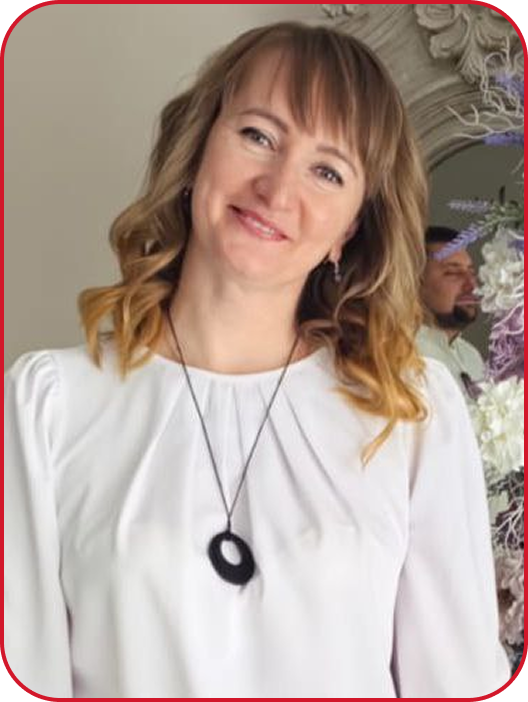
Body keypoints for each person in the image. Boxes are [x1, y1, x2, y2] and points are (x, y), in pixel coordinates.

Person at [4, 22, 511, 698]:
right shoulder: (48, 405)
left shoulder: (410, 412)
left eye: (327, 171)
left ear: (351, 227)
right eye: (258, 136)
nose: (277, 190)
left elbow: (457, 682)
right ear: (197, 150)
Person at [417, 225, 486, 396]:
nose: (471, 285)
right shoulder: (398, 355)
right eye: (453, 272)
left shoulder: (471, 356)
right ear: (414, 282)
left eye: (471, 272)